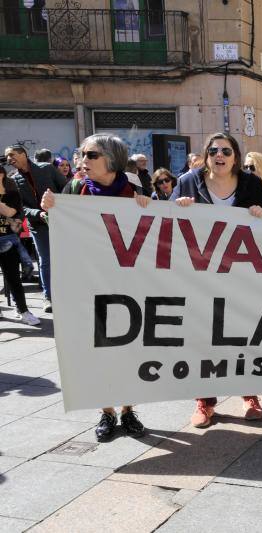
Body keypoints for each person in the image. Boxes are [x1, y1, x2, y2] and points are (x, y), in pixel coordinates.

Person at [40, 133, 148, 441]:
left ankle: (128, 411)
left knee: (129, 348)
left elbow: (157, 231)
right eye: (82, 154)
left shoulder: (134, 189)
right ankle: (107, 412)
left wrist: (147, 206)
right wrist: (50, 209)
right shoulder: (75, 188)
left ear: (111, 160)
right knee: (97, 347)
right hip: (88, 282)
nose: (83, 161)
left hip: (128, 284)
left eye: (91, 155)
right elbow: (58, 227)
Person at [171, 132, 262, 427]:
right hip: (200, 277)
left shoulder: (251, 184)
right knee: (204, 338)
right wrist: (176, 207)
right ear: (206, 155)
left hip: (242, 276)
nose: (220, 155)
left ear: (235, 156)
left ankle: (249, 395)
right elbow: (162, 220)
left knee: (242, 335)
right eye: (214, 150)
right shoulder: (188, 182)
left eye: (227, 151)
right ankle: (204, 402)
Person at [4, 144, 67, 313]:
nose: (9, 159)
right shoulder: (14, 179)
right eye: (7, 157)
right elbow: (22, 207)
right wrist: (38, 213)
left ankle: (68, 293)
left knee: (66, 258)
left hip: (62, 221)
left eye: (11, 155)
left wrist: (58, 205)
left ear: (23, 154)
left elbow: (66, 188)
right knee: (45, 260)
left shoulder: (47, 168)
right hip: (38, 225)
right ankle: (49, 297)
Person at [0, 166, 39, 325]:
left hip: (8, 240)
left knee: (14, 278)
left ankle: (22, 310)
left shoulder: (12, 194)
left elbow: (9, 213)